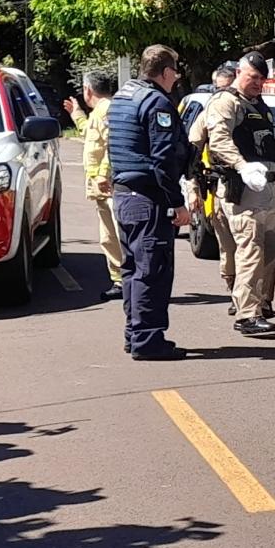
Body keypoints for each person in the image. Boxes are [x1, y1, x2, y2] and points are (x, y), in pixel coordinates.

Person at [107, 44, 192, 361]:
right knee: (151, 271)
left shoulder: (123, 95)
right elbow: (162, 159)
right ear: (167, 72)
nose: (176, 78)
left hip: (125, 194)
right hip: (147, 197)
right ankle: (148, 340)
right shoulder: (156, 101)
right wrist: (177, 202)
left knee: (132, 269)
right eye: (176, 72)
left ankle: (134, 334)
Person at [206, 52, 275, 336]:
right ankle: (246, 315)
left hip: (267, 190)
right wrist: (242, 166)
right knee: (249, 250)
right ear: (239, 72)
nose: (258, 83)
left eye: (262, 78)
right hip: (242, 191)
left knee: (269, 252)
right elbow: (219, 140)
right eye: (253, 77)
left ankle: (262, 304)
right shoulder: (226, 102)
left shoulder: (260, 105)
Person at [63, 72, 125, 302]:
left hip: (108, 184)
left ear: (88, 90)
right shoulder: (98, 113)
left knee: (119, 235)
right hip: (100, 188)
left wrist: (102, 174)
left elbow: (113, 145)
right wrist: (76, 113)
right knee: (108, 237)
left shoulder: (107, 109)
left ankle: (129, 280)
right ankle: (119, 281)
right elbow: (88, 132)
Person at [186, 62, 240, 313]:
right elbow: (191, 155)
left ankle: (259, 300)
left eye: (227, 88)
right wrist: (194, 189)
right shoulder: (208, 113)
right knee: (228, 247)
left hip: (258, 191)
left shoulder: (253, 109)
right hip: (222, 188)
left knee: (256, 250)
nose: (223, 95)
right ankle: (235, 294)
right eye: (218, 90)